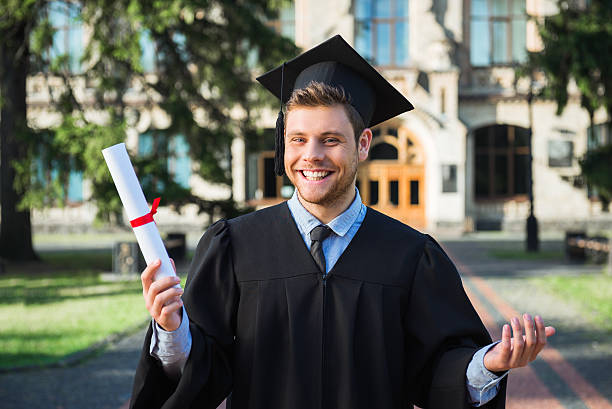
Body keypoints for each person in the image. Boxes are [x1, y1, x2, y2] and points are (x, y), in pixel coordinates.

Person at [130, 35, 555, 409]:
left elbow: (435, 372)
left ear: (363, 143)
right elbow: (206, 371)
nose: (311, 154)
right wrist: (172, 332)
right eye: (297, 139)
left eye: (330, 140)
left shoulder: (411, 256)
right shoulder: (235, 247)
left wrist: (488, 364)